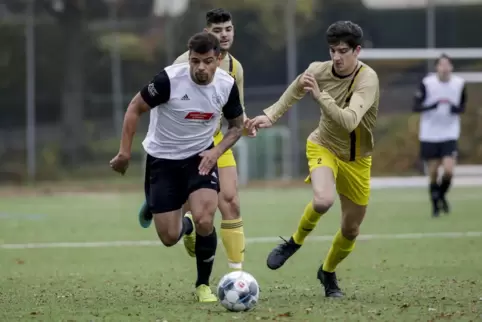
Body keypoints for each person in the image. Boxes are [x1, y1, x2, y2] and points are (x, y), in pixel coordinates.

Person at [247, 21, 379, 298]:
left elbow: (350, 120)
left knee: (351, 229)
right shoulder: (318, 70)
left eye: (343, 51)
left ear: (358, 51)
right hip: (324, 146)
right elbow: (296, 89)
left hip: (357, 160)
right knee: (322, 200)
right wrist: (270, 115)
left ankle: (327, 271)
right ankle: (294, 243)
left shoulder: (368, 80)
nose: (337, 57)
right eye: (332, 50)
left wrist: (320, 96)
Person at [109, 32, 244, 302]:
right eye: (195, 61)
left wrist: (216, 151)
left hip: (200, 158)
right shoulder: (169, 80)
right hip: (163, 160)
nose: (201, 68)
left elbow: (237, 126)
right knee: (169, 237)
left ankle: (203, 285)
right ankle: (186, 226)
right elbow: (135, 108)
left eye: (207, 61)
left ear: (218, 59)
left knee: (206, 217)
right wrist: (124, 152)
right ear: (189, 58)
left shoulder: (226, 85)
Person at [137, 8, 251, 272]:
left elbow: (236, 111)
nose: (224, 35)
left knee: (231, 200)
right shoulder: (182, 63)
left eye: (228, 29)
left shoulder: (235, 68)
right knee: (193, 209)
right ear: (205, 34)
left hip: (218, 139)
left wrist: (247, 124)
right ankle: (169, 208)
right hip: (183, 145)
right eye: (217, 30)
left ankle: (237, 275)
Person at [413, 54, 466, 217]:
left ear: (451, 67)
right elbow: (416, 106)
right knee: (434, 172)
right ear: (436, 67)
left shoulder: (459, 84)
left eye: (447, 65)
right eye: (441, 65)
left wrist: (455, 110)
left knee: (449, 170)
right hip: (430, 133)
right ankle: (435, 206)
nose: (444, 68)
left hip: (449, 132)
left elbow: (463, 106)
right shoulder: (427, 83)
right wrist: (431, 107)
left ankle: (441, 195)